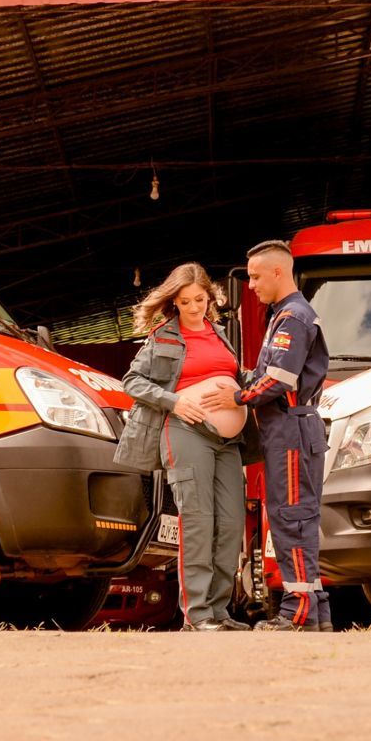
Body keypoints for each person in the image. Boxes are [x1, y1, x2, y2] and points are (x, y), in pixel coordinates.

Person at [115, 263, 250, 631]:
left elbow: (235, 377)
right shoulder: (164, 337)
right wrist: (172, 401)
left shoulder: (220, 333)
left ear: (210, 297)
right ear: (175, 301)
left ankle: (220, 612)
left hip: (228, 440)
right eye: (186, 301)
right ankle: (198, 615)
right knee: (198, 521)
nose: (194, 308)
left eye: (200, 300)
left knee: (232, 521)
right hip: (185, 432)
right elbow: (132, 381)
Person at [205, 240, 331, 631]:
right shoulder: (284, 315)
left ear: (279, 272)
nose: (253, 285)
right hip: (288, 430)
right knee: (298, 519)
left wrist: (238, 395)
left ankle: (296, 616)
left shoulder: (293, 317)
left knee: (291, 520)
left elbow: (279, 378)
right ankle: (316, 613)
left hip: (290, 430)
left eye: (257, 276)